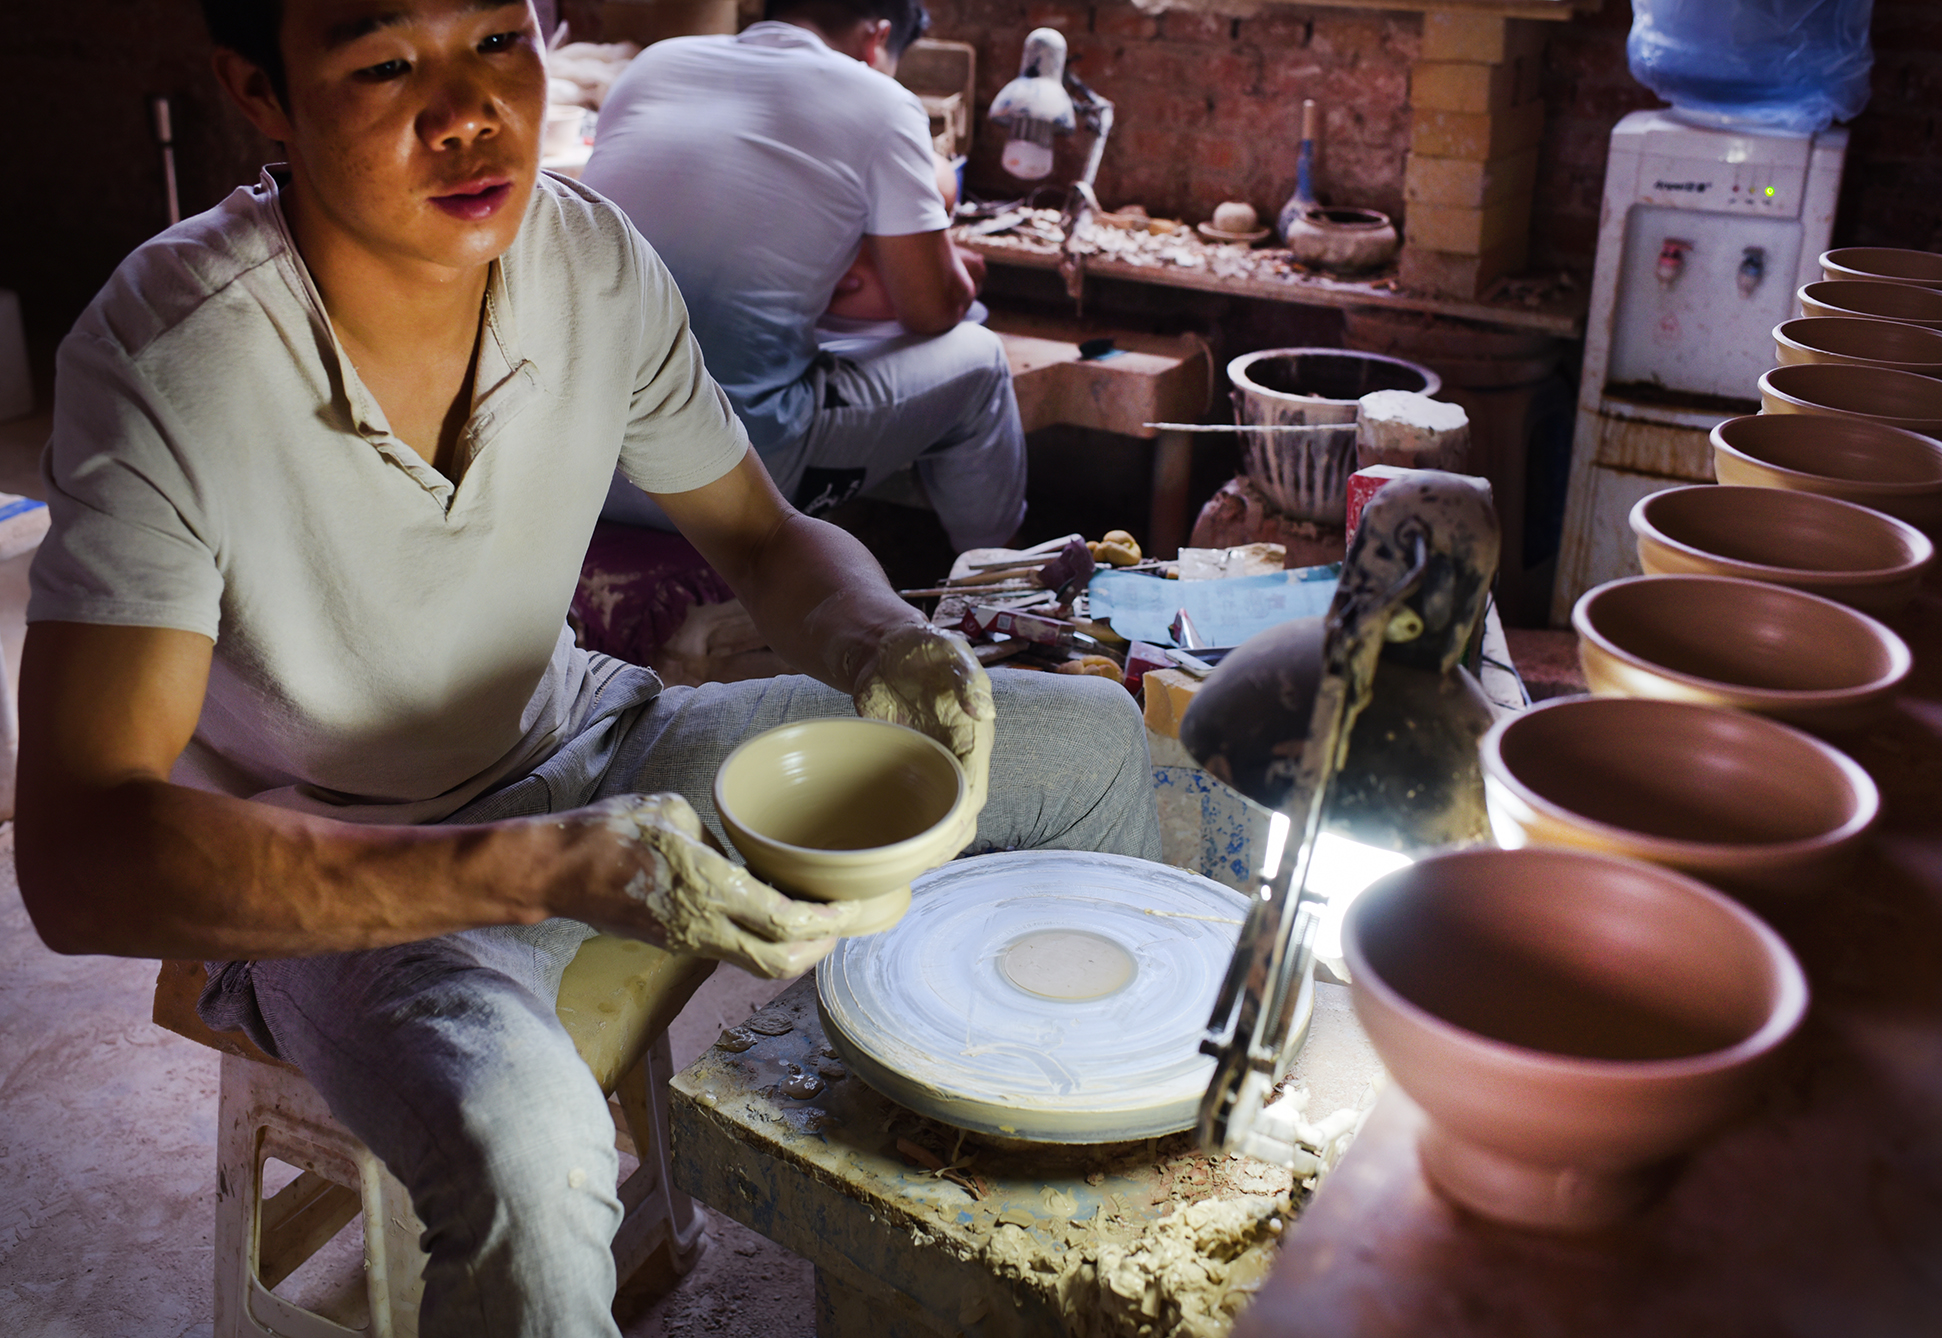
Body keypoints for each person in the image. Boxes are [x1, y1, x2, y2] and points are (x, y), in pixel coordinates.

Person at [13, 2, 1159, 1334]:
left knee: (1089, 744)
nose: (468, 113)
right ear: (259, 92)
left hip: (583, 739)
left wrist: (887, 643)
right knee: (532, 1160)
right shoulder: (172, 353)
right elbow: (82, 855)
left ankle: (1069, 1228)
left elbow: (763, 537)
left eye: (500, 39)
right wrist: (555, 866)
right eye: (385, 64)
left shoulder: (589, 261)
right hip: (333, 854)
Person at [583, 0, 1026, 550]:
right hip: (718, 473)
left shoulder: (654, 65)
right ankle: (998, 590)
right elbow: (931, 310)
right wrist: (959, 272)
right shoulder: (882, 102)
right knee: (981, 363)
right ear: (877, 38)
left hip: (582, 462)